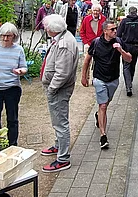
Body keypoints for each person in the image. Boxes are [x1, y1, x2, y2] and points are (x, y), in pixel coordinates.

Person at [82, 21, 132, 149]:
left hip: (113, 79)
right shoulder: (96, 43)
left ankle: (98, 116)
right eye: (112, 29)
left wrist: (120, 50)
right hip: (99, 78)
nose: (115, 31)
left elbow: (129, 59)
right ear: (105, 31)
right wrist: (84, 76)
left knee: (106, 103)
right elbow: (87, 59)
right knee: (103, 105)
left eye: (116, 29)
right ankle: (103, 136)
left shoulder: (119, 41)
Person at [39, 14, 78, 172]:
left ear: (52, 29)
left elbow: (62, 73)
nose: (45, 29)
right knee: (57, 120)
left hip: (59, 90)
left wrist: (51, 88)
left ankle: (63, 159)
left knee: (60, 123)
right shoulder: (62, 37)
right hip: (57, 88)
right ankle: (58, 146)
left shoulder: (64, 44)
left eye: (46, 27)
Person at [116, 6, 138, 96]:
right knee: (133, 64)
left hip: (125, 45)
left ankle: (128, 86)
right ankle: (130, 81)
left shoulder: (124, 21)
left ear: (129, 12)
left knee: (126, 65)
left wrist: (118, 45)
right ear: (136, 12)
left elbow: (118, 34)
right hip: (135, 46)